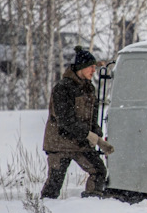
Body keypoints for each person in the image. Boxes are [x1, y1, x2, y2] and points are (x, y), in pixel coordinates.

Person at [41, 46, 114, 198]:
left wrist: (97, 135)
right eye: (91, 67)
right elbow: (65, 121)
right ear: (80, 68)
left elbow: (92, 119)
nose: (94, 71)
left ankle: (90, 205)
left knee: (99, 171)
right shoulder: (62, 88)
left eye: (95, 67)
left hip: (80, 143)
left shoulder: (89, 89)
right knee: (55, 182)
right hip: (60, 143)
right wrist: (89, 136)